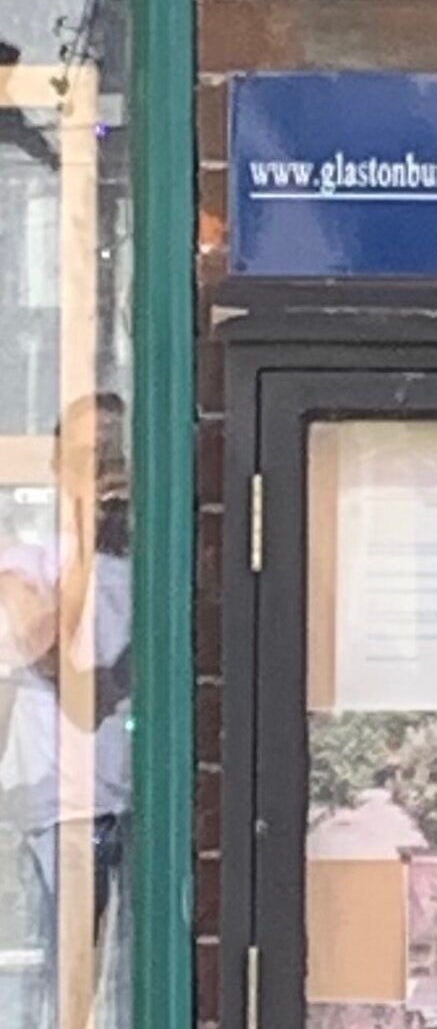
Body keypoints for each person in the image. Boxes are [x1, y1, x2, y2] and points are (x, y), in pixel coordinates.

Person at [0, 394, 133, 1029]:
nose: (107, 470)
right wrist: (87, 531)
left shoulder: (154, 563)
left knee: (135, 991)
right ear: (59, 468)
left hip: (143, 807)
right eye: (90, 458)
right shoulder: (27, 564)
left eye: (115, 455)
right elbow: (52, 650)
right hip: (67, 812)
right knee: (68, 997)